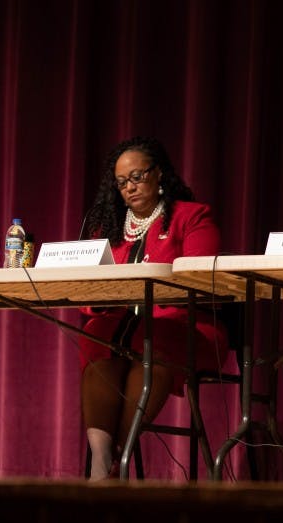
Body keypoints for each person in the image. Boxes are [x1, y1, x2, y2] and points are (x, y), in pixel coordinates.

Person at [79, 136, 228, 479]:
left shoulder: (191, 216)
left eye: (137, 176)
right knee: (96, 335)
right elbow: (89, 297)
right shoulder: (108, 229)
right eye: (120, 182)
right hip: (124, 329)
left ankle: (119, 455)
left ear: (158, 174)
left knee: (152, 343)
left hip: (185, 328)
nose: (129, 187)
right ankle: (101, 463)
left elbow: (201, 278)